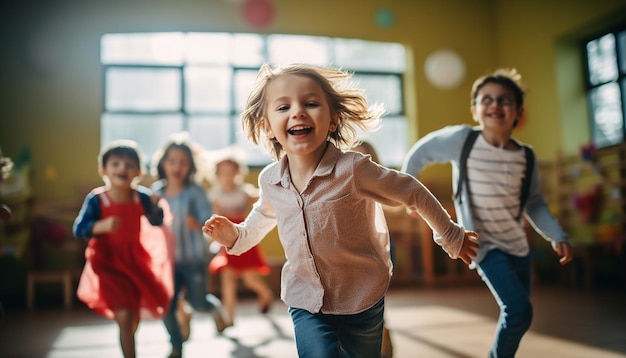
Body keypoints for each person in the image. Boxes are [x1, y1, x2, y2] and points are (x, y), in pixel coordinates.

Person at [202, 63, 479, 358]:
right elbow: (262, 218)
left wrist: (451, 235)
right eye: (283, 107)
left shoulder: (354, 170)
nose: (298, 112)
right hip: (305, 297)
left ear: (333, 119)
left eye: (310, 103)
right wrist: (236, 236)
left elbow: (412, 191)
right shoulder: (270, 180)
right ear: (266, 126)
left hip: (362, 296)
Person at [401, 68, 573, 358]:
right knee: (520, 311)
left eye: (505, 100)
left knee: (516, 315)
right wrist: (409, 193)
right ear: (475, 110)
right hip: (484, 245)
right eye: (487, 99)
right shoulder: (464, 140)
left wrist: (556, 234)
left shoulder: (526, 156)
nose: (495, 105)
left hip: (518, 247)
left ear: (519, 112)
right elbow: (420, 153)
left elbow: (533, 202)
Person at [73, 140, 174, 358]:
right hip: (107, 262)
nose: (122, 169)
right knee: (125, 315)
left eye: (129, 165)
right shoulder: (97, 199)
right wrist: (100, 226)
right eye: (116, 164)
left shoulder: (141, 196)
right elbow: (79, 229)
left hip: (135, 260)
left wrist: (156, 207)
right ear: (104, 170)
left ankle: (129, 340)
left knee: (133, 316)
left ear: (138, 172)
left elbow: (156, 221)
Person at [150, 133, 229, 358]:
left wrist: (199, 223)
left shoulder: (195, 192)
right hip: (167, 262)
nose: (177, 166)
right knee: (166, 305)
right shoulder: (156, 192)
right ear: (163, 164)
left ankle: (215, 310)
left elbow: (209, 218)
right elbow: (148, 223)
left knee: (199, 304)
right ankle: (176, 344)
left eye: (183, 162)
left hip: (194, 258)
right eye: (172, 161)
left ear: (191, 167)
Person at [207, 152, 274, 327]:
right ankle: (229, 318)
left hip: (243, 238)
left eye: (232, 173)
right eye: (224, 173)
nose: (228, 177)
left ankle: (265, 294)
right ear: (217, 176)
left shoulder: (244, 193)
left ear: (238, 174)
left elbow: (263, 203)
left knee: (249, 278)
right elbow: (213, 220)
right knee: (227, 279)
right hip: (226, 241)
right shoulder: (215, 196)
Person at [351, 140, 395, 358]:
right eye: (353, 157)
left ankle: (385, 346)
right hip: (348, 252)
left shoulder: (378, 182)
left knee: (373, 306)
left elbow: (396, 203)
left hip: (376, 250)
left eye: (364, 159)